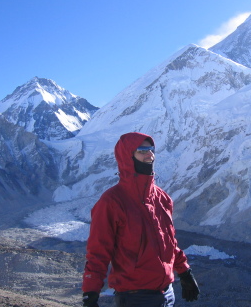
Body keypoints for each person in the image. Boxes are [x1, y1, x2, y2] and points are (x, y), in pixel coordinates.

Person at [82, 132, 200, 307]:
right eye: (142, 150)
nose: (150, 154)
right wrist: (90, 294)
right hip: (135, 297)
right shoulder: (112, 201)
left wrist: (184, 272)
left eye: (151, 149)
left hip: (166, 294)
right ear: (127, 156)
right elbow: (98, 251)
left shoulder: (162, 198)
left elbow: (169, 242)